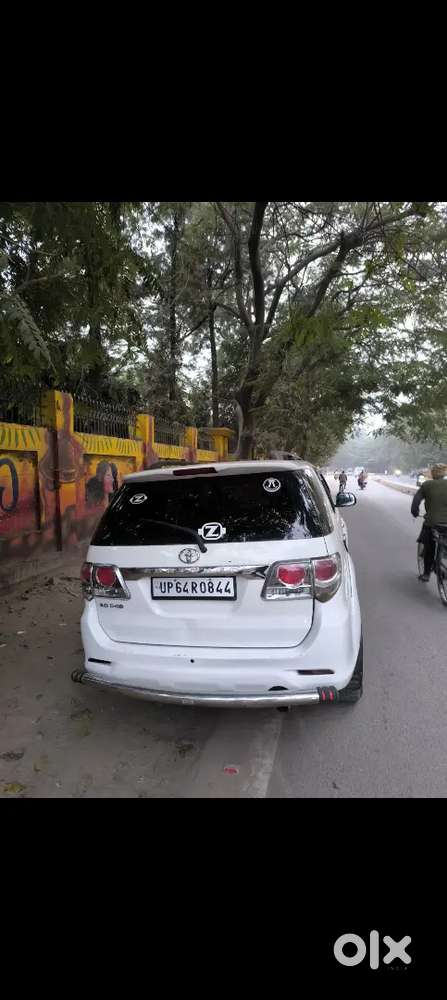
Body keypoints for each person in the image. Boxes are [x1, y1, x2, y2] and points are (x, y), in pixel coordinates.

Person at [411, 463, 447, 581]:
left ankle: (426, 574)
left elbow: (416, 501)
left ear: (433, 473)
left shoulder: (427, 485)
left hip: (433, 523)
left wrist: (415, 512)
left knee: (428, 547)